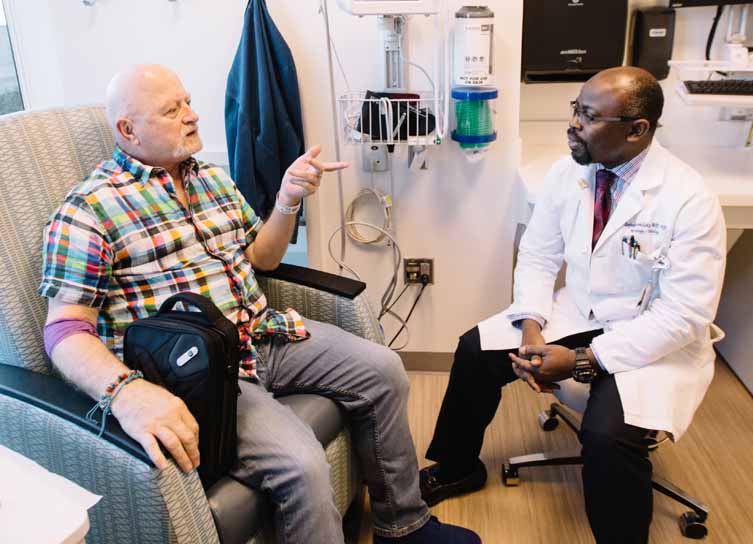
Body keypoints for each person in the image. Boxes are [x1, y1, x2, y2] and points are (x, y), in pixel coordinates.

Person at [39, 64, 480, 544]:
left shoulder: (212, 179)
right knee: (302, 462)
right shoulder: (88, 211)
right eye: (172, 110)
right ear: (128, 130)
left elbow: (261, 258)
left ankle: (404, 526)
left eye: (188, 102)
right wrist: (126, 393)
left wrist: (288, 198)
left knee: (384, 370)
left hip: (264, 333)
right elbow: (65, 330)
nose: (192, 115)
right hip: (204, 374)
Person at [419, 66, 726, 544]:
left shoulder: (689, 199)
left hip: (650, 336)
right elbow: (539, 256)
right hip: (579, 311)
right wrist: (531, 329)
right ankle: (459, 467)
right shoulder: (569, 173)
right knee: (474, 351)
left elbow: (685, 315)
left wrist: (583, 360)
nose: (574, 124)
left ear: (637, 129)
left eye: (590, 116)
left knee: (607, 437)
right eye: (576, 109)